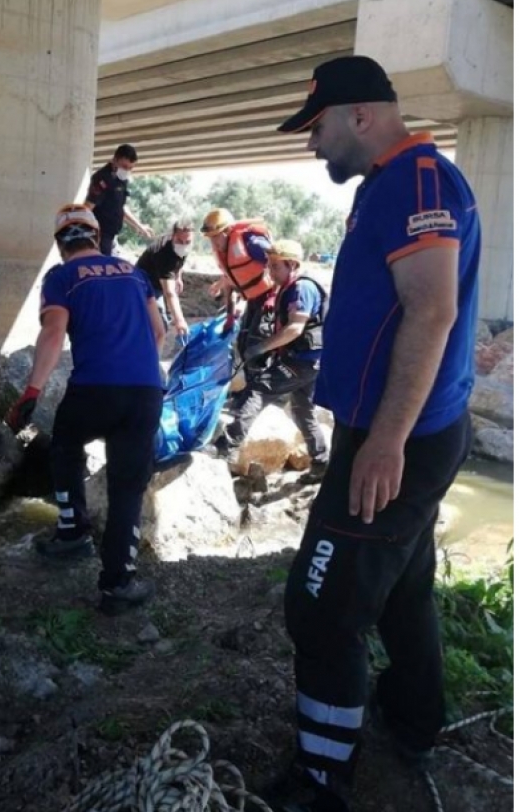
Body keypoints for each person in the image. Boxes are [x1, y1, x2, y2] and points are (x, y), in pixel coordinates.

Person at [269, 55, 479, 812]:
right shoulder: (386, 185)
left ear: (360, 115)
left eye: (317, 126)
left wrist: (386, 442)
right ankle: (415, 721)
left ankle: (322, 780)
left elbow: (432, 310)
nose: (311, 144)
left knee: (321, 610)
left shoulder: (419, 183)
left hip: (401, 437)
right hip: (393, 430)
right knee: (404, 589)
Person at [5, 204, 165, 614]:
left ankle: (73, 530)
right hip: (145, 391)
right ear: (96, 238)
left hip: (94, 389)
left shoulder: (62, 277)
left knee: (65, 446)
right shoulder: (135, 273)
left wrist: (31, 392)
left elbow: (54, 331)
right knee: (128, 487)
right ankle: (118, 584)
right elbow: (159, 332)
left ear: (61, 243)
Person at [221, 239, 328, 476]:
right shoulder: (291, 288)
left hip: (303, 360)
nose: (270, 271)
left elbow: (294, 329)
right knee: (303, 410)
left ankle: (228, 444)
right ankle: (320, 463)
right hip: (309, 360)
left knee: (259, 389)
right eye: (269, 265)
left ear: (292, 265)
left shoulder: (302, 289)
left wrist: (261, 348)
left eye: (275, 266)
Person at [200, 207, 275, 375]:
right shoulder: (223, 251)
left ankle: (257, 388)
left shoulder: (251, 242)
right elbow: (231, 283)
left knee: (257, 342)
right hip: (253, 300)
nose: (213, 242)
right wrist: (229, 316)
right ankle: (247, 385)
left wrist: (275, 296)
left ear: (227, 231)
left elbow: (279, 264)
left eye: (215, 237)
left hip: (269, 298)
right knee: (243, 342)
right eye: (209, 238)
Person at [85, 144, 155, 255]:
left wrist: (139, 226)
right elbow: (87, 208)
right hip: (99, 236)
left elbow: (120, 207)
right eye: (124, 166)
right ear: (114, 160)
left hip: (111, 236)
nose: (127, 171)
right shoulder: (102, 179)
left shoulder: (121, 179)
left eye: (131, 168)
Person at [135, 218, 194, 337]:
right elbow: (169, 293)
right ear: (172, 236)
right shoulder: (163, 253)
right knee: (159, 328)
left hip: (158, 282)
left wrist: (178, 277)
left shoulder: (183, 245)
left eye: (187, 242)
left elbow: (180, 259)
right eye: (179, 241)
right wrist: (180, 320)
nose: (183, 245)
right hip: (144, 285)